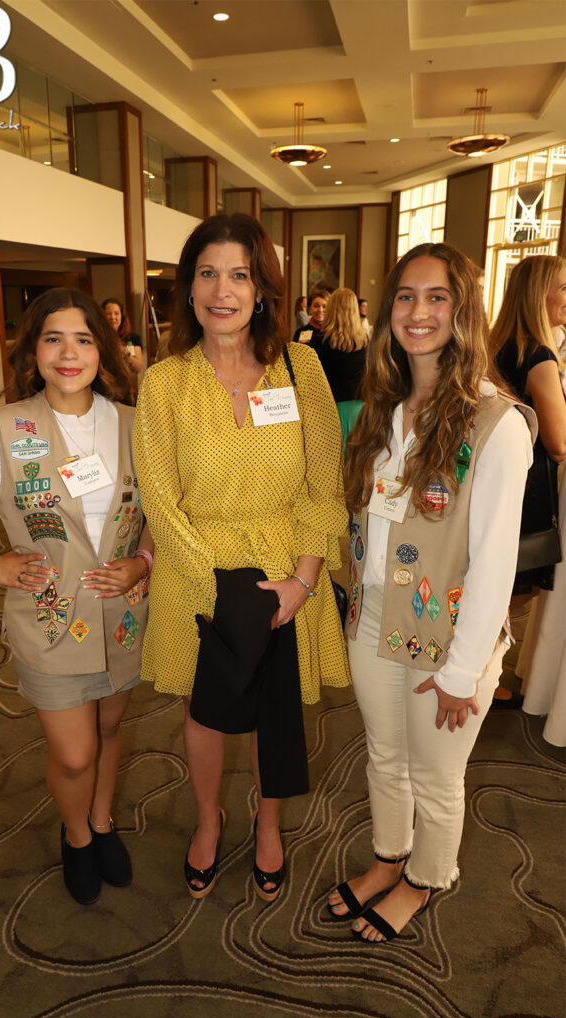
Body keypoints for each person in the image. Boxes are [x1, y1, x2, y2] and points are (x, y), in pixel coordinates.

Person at [0, 288, 153, 906]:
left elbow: (161, 512)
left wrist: (142, 560)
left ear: (104, 348)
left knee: (110, 724)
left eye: (84, 339)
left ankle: (102, 822)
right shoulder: (5, 427)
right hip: (50, 616)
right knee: (74, 754)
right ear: (33, 350)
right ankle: (76, 835)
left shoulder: (135, 423)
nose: (69, 354)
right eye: (53, 339)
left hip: (123, 612)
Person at [133, 213, 349, 903]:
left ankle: (268, 824)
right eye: (206, 273)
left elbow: (324, 486)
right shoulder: (164, 382)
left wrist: (301, 583)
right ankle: (207, 818)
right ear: (187, 287)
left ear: (261, 289)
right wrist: (219, 594)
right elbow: (160, 501)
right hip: (195, 571)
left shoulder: (301, 367)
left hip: (285, 572)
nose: (220, 290)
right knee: (205, 709)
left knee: (273, 707)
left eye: (239, 274)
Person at [326, 242, 534, 942]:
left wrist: (460, 670)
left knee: (435, 773)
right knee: (383, 754)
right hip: (376, 613)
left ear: (462, 310)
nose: (417, 312)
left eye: (436, 297)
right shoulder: (382, 406)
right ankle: (389, 857)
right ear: (387, 312)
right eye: (405, 298)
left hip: (449, 631)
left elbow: (494, 564)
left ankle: (426, 875)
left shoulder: (496, 423)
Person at [490, 255, 566, 708]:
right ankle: (484, 671)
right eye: (563, 287)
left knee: (499, 584)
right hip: (529, 484)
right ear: (541, 294)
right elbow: (558, 442)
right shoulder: (537, 354)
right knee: (511, 592)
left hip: (505, 478)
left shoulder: (497, 345)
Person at [311, 288, 368, 450]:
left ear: (331, 309)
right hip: (359, 409)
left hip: (328, 410)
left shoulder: (319, 342)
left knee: (331, 466)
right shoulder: (364, 341)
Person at [102, 297, 142, 374]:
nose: (113, 317)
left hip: (127, 383)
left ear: (122, 316)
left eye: (116, 313)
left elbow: (138, 368)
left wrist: (125, 353)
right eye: (108, 314)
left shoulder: (132, 337)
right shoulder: (98, 337)